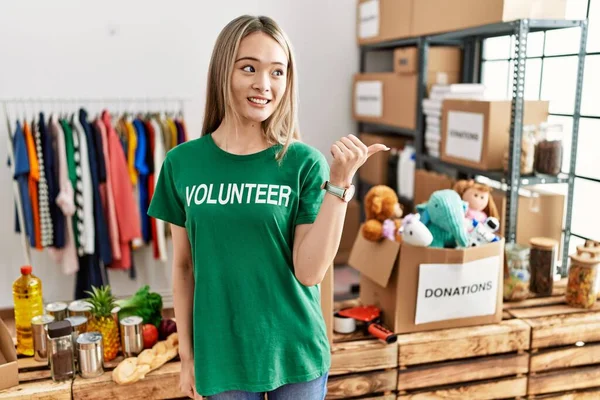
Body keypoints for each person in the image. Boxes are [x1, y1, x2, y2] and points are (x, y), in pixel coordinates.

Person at [147, 15, 388, 400]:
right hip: (221, 358)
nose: (264, 84)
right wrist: (187, 357)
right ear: (223, 71)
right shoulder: (182, 163)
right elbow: (183, 266)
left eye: (278, 72)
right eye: (249, 68)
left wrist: (339, 185)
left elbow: (309, 272)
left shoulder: (303, 163)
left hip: (296, 353)